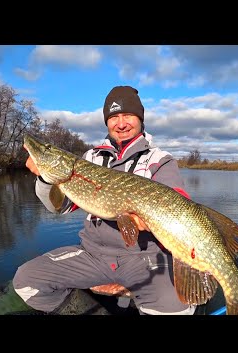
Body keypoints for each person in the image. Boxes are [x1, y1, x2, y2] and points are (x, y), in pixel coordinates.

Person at [13, 85, 196, 315]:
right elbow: (59, 206)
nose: (121, 123)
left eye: (128, 115)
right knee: (27, 280)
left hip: (143, 258)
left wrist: (149, 219)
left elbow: (178, 204)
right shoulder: (90, 158)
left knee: (178, 306)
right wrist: (45, 178)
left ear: (140, 119)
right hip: (94, 256)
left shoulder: (160, 160)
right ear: (107, 122)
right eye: (114, 117)